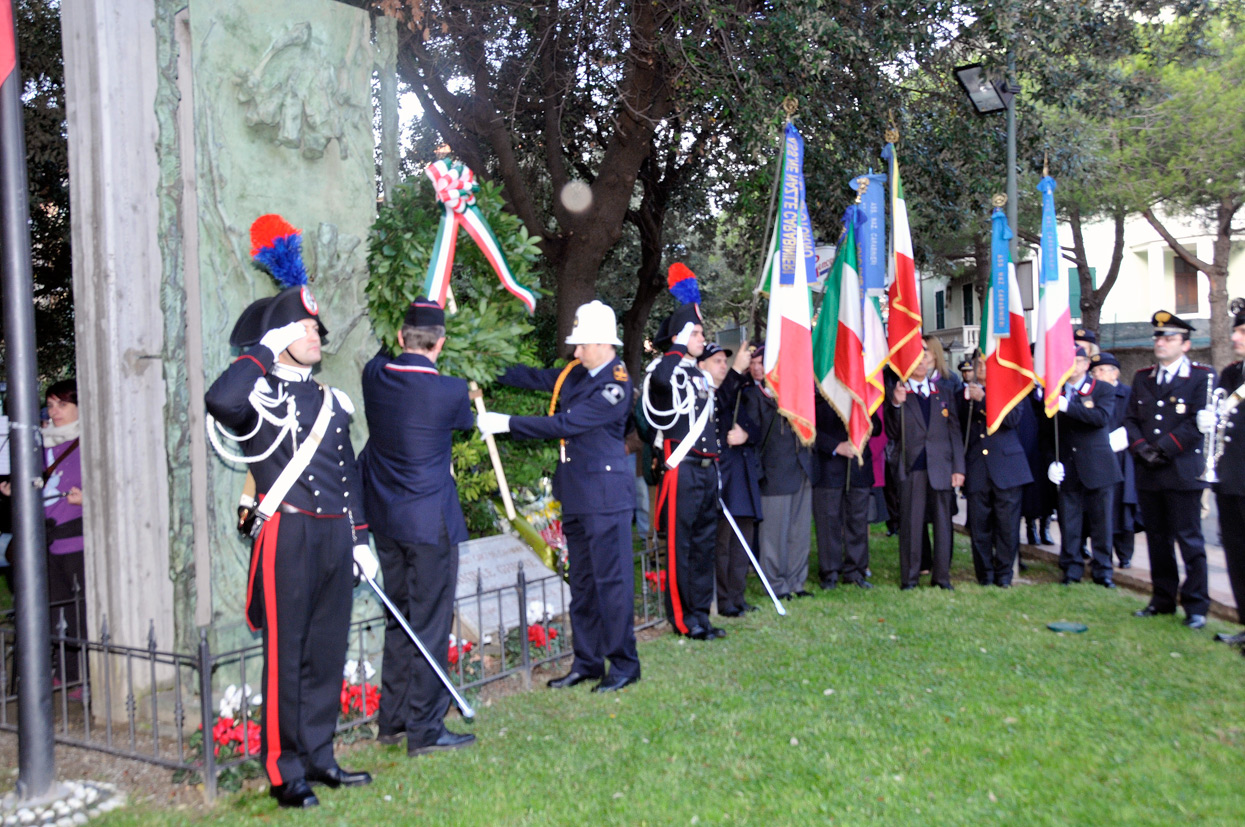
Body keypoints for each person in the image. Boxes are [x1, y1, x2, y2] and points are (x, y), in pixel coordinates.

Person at [204, 216, 375, 808]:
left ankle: (322, 757)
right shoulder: (256, 395)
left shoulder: (333, 400)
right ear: (279, 334)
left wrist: (358, 538)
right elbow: (219, 401)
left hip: (332, 539)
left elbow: (346, 474)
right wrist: (261, 353)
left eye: (316, 325)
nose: (317, 333)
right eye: (305, 325)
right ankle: (284, 771)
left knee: (327, 650)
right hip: (287, 536)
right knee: (287, 653)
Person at [481, 300, 641, 689]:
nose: (576, 351)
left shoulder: (616, 383)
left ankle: (623, 664)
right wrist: (482, 365)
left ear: (604, 343)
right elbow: (534, 377)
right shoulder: (577, 372)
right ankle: (587, 661)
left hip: (605, 498)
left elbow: (567, 423)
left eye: (582, 344)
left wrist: (507, 424)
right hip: (578, 494)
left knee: (612, 584)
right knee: (583, 583)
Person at [359, 298, 478, 754]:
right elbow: (462, 422)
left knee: (400, 621)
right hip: (430, 525)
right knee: (428, 626)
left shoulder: (375, 377)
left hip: (386, 521)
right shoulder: (449, 391)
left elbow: (381, 358)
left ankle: (392, 720)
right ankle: (425, 730)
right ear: (441, 342)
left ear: (401, 337)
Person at [644, 270, 725, 640]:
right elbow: (660, 392)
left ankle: (700, 614)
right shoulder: (667, 369)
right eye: (696, 333)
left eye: (702, 333)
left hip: (706, 469)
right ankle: (682, 619)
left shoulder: (696, 374)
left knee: (704, 544)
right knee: (681, 547)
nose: (702, 339)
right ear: (679, 337)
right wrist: (675, 348)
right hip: (682, 468)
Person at [1125, 310, 1214, 629]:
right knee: (1158, 540)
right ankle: (1162, 599)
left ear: (1185, 344)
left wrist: (1162, 448)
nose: (1160, 342)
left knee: (1189, 540)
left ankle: (1196, 606)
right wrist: (1141, 449)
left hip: (1181, 470)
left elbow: (1198, 421)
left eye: (1169, 337)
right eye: (1158, 337)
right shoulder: (1143, 377)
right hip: (1149, 472)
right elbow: (1131, 420)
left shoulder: (1201, 377)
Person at [2, 380, 87, 688]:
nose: (55, 411)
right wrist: (17, 491)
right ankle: (64, 675)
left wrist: (86, 500)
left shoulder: (89, 443)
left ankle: (80, 677)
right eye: (51, 405)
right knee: (54, 612)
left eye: (62, 405)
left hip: (76, 542)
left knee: (81, 612)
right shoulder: (43, 445)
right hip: (46, 543)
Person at [885, 344, 964, 590]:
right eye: (915, 360)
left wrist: (958, 468)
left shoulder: (943, 392)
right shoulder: (899, 393)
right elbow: (892, 432)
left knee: (943, 524)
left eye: (924, 359)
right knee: (911, 523)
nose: (920, 364)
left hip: (941, 468)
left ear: (931, 362)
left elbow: (954, 432)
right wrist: (896, 405)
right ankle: (910, 577)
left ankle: (942, 577)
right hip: (912, 467)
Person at [699, 342, 762, 617]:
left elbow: (755, 427)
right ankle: (724, 601)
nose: (723, 366)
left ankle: (738, 596)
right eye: (717, 361)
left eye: (726, 361)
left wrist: (746, 436)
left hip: (742, 477)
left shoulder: (736, 392)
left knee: (742, 543)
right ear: (701, 366)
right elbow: (718, 405)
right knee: (722, 544)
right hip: (720, 478)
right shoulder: (703, 393)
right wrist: (737, 370)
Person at [1049, 347, 1121, 587]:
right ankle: (1071, 568)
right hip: (1068, 466)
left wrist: (1069, 407)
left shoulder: (1102, 389)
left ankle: (1103, 571)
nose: (1069, 366)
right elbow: (1048, 432)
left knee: (1101, 523)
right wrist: (1052, 460)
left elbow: (1100, 418)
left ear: (1085, 364)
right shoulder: (1056, 392)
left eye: (1075, 361)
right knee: (1069, 523)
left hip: (1097, 466)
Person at [749, 347, 816, 599]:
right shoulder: (754, 396)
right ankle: (775, 583)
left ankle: (796, 581)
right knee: (774, 534)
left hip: (801, 468)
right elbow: (755, 437)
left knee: (799, 532)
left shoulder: (798, 392)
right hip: (774, 473)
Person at [959, 356, 1032, 587]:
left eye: (985, 365)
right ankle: (985, 575)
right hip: (977, 467)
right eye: (978, 365)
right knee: (979, 526)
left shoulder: (1011, 390)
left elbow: (1011, 420)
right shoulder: (964, 394)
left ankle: (1004, 575)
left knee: (1007, 526)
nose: (980, 369)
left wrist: (985, 401)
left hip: (1007, 468)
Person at [1199, 303, 1245, 648]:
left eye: (1242, 332)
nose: (1234, 337)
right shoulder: (1231, 375)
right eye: (1236, 330)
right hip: (1230, 482)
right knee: (1237, 556)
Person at [812, 394, 878, 590]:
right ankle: (830, 572)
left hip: (858, 469)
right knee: (828, 522)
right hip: (828, 469)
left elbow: (878, 427)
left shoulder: (861, 394)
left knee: (857, 521)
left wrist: (864, 413)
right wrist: (836, 447)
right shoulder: (820, 395)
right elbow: (809, 429)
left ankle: (855, 571)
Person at [1090, 352, 1139, 569]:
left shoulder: (1128, 393)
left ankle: (1125, 553)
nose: (1097, 374)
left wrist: (1123, 437)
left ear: (1115, 372)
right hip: (1098, 456)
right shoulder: (1090, 394)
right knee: (1102, 510)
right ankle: (1103, 554)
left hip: (1122, 457)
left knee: (1123, 507)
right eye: (1094, 371)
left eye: (1101, 370)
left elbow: (1136, 420)